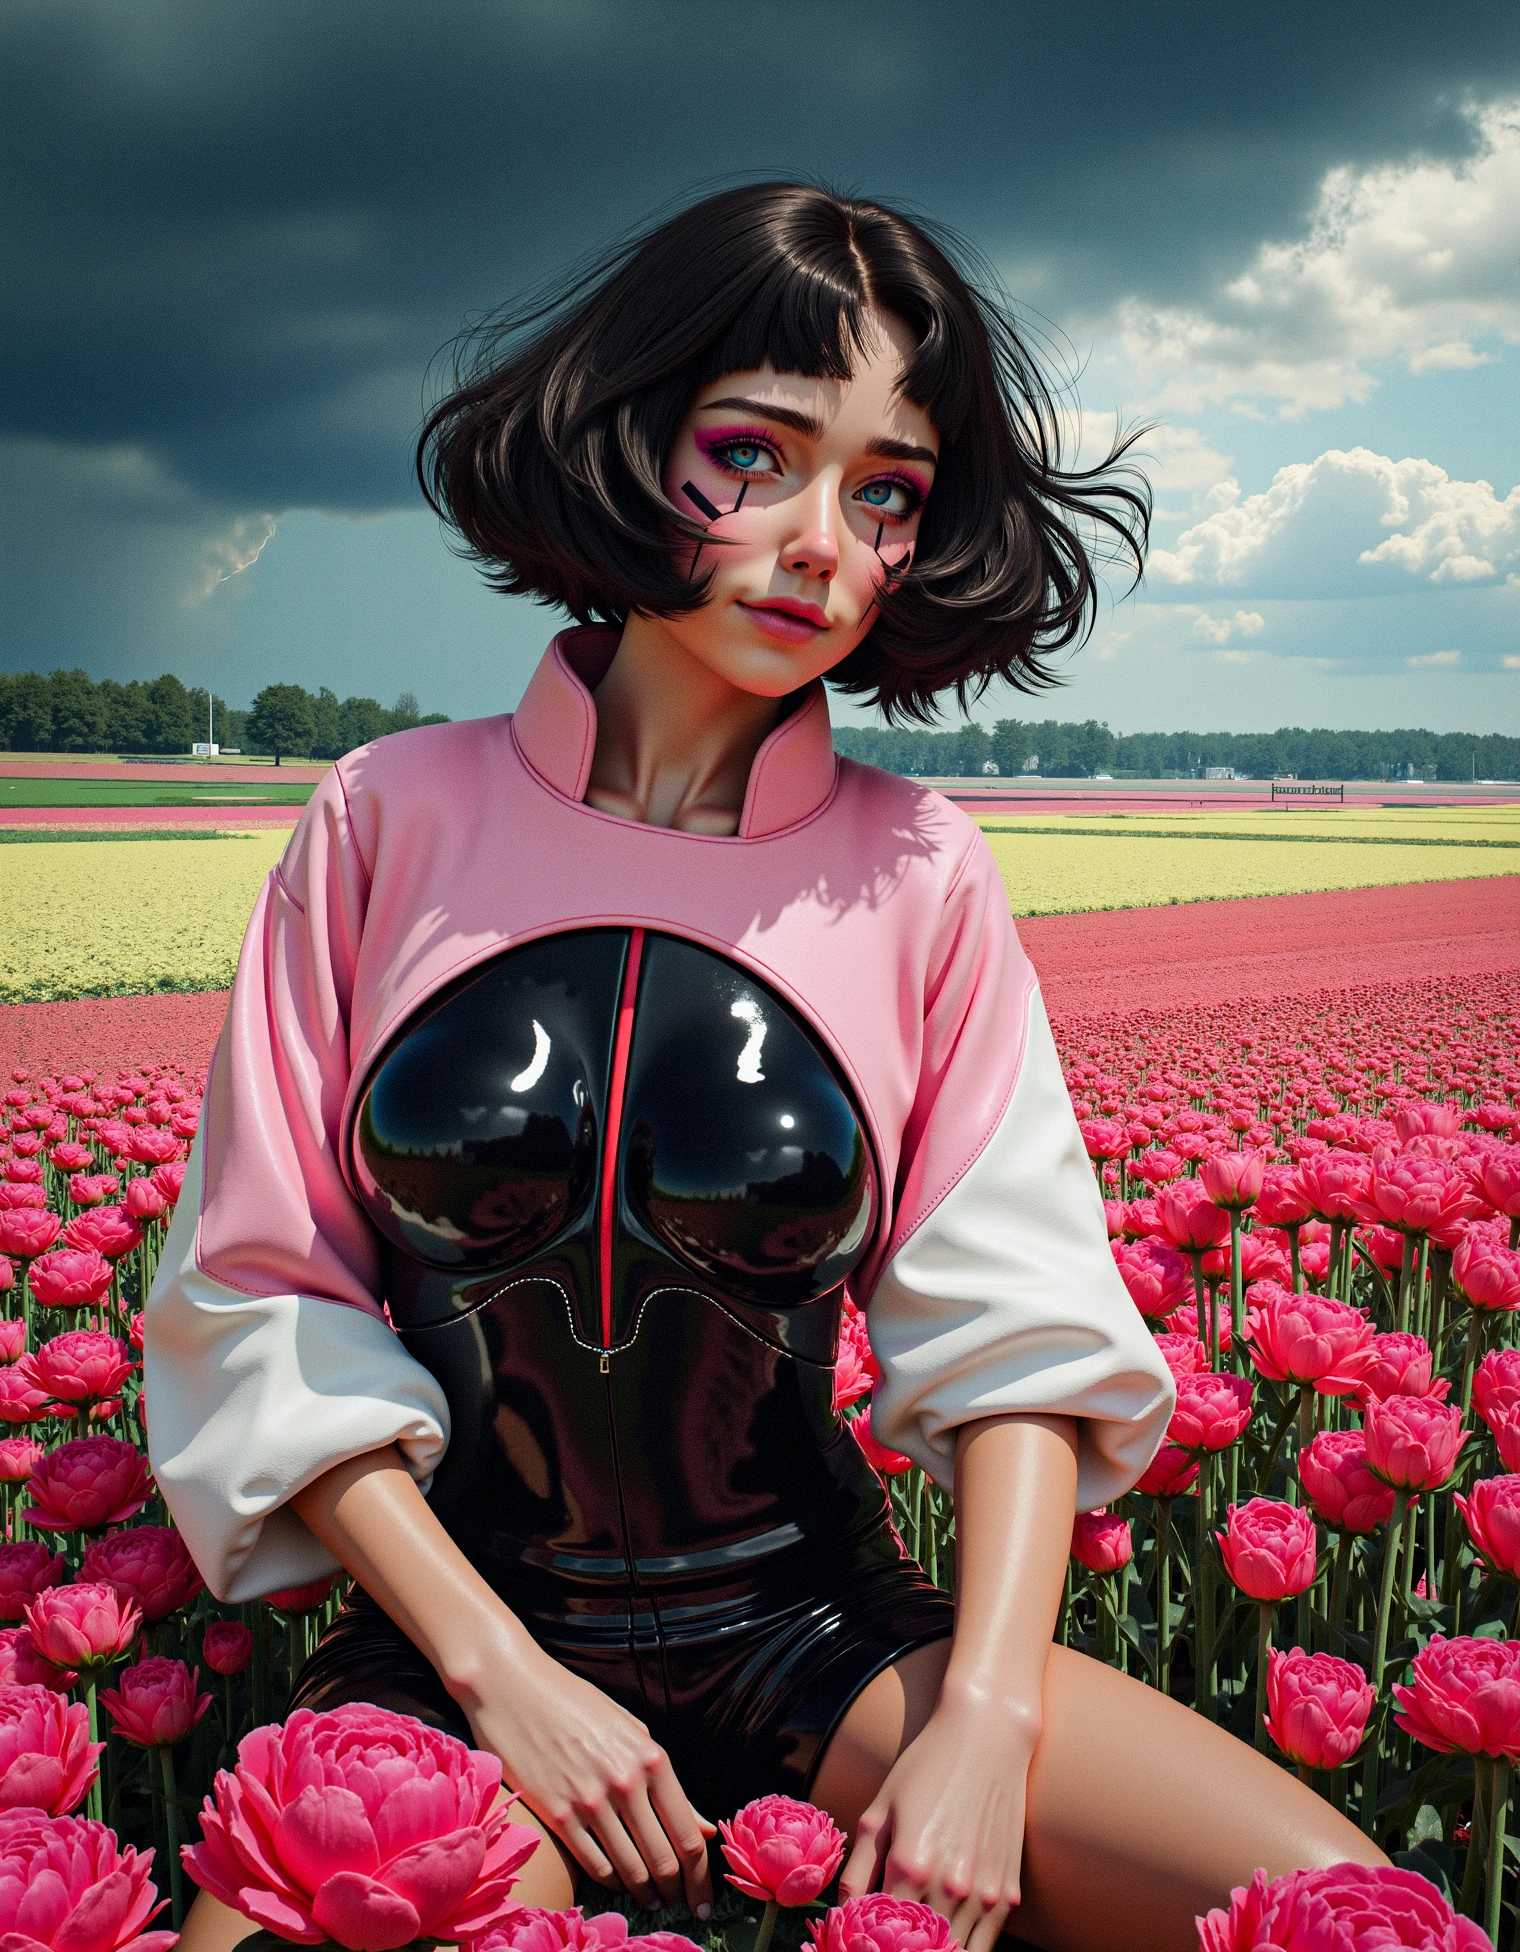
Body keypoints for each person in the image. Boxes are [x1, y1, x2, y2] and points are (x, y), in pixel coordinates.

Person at [147, 184, 1382, 1952]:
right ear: (627, 435)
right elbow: (265, 1297)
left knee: (1369, 1918)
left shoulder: (920, 868)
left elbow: (1014, 1322)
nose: (821, 541)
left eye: (885, 491)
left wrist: (986, 1720)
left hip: (822, 1633)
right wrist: (501, 1678)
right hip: (450, 1650)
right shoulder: (380, 818)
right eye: (756, 454)